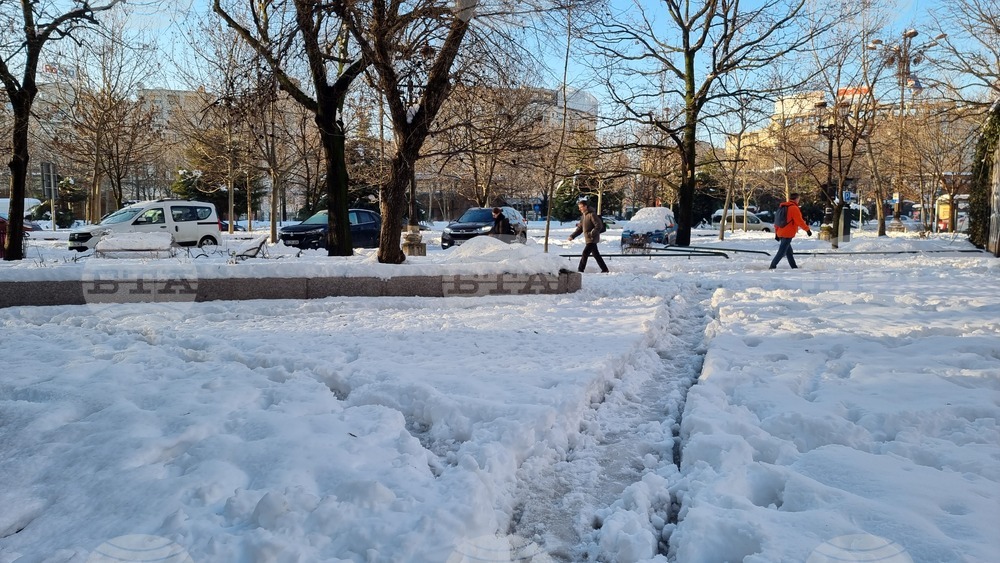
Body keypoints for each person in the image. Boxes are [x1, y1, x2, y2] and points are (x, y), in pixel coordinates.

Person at [769, 193, 812, 270]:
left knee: (789, 252)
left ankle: (794, 267)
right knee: (782, 252)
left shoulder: (783, 206)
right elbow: (799, 221)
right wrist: (807, 229)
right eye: (799, 199)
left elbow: (777, 221)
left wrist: (777, 233)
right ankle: (772, 266)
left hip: (781, 231)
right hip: (787, 233)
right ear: (797, 199)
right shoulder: (794, 208)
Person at [568, 200, 609, 273]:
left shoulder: (592, 214)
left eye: (581, 207)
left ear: (585, 206)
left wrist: (591, 233)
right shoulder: (583, 216)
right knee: (596, 255)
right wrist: (572, 236)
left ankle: (580, 270)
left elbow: (599, 225)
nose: (579, 209)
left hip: (592, 239)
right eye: (579, 207)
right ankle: (605, 269)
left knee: (585, 253)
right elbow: (580, 228)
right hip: (588, 239)